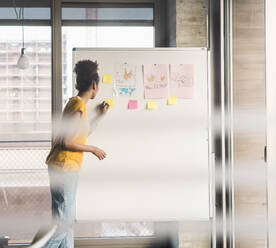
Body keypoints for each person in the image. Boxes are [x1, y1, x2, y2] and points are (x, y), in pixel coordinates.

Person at [38, 60, 109, 248]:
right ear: (94, 85)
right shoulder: (77, 107)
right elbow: (67, 142)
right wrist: (93, 149)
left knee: (65, 224)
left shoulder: (76, 105)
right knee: (63, 225)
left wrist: (100, 116)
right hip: (65, 168)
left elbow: (81, 134)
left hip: (62, 167)